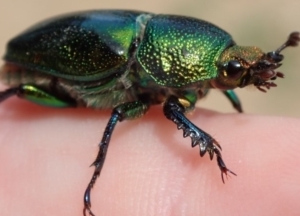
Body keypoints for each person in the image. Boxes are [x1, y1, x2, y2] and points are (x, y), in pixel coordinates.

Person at [0, 93, 299, 216]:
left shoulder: (193, 74)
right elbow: (170, 110)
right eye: (233, 71)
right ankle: (97, 171)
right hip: (47, 67)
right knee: (119, 113)